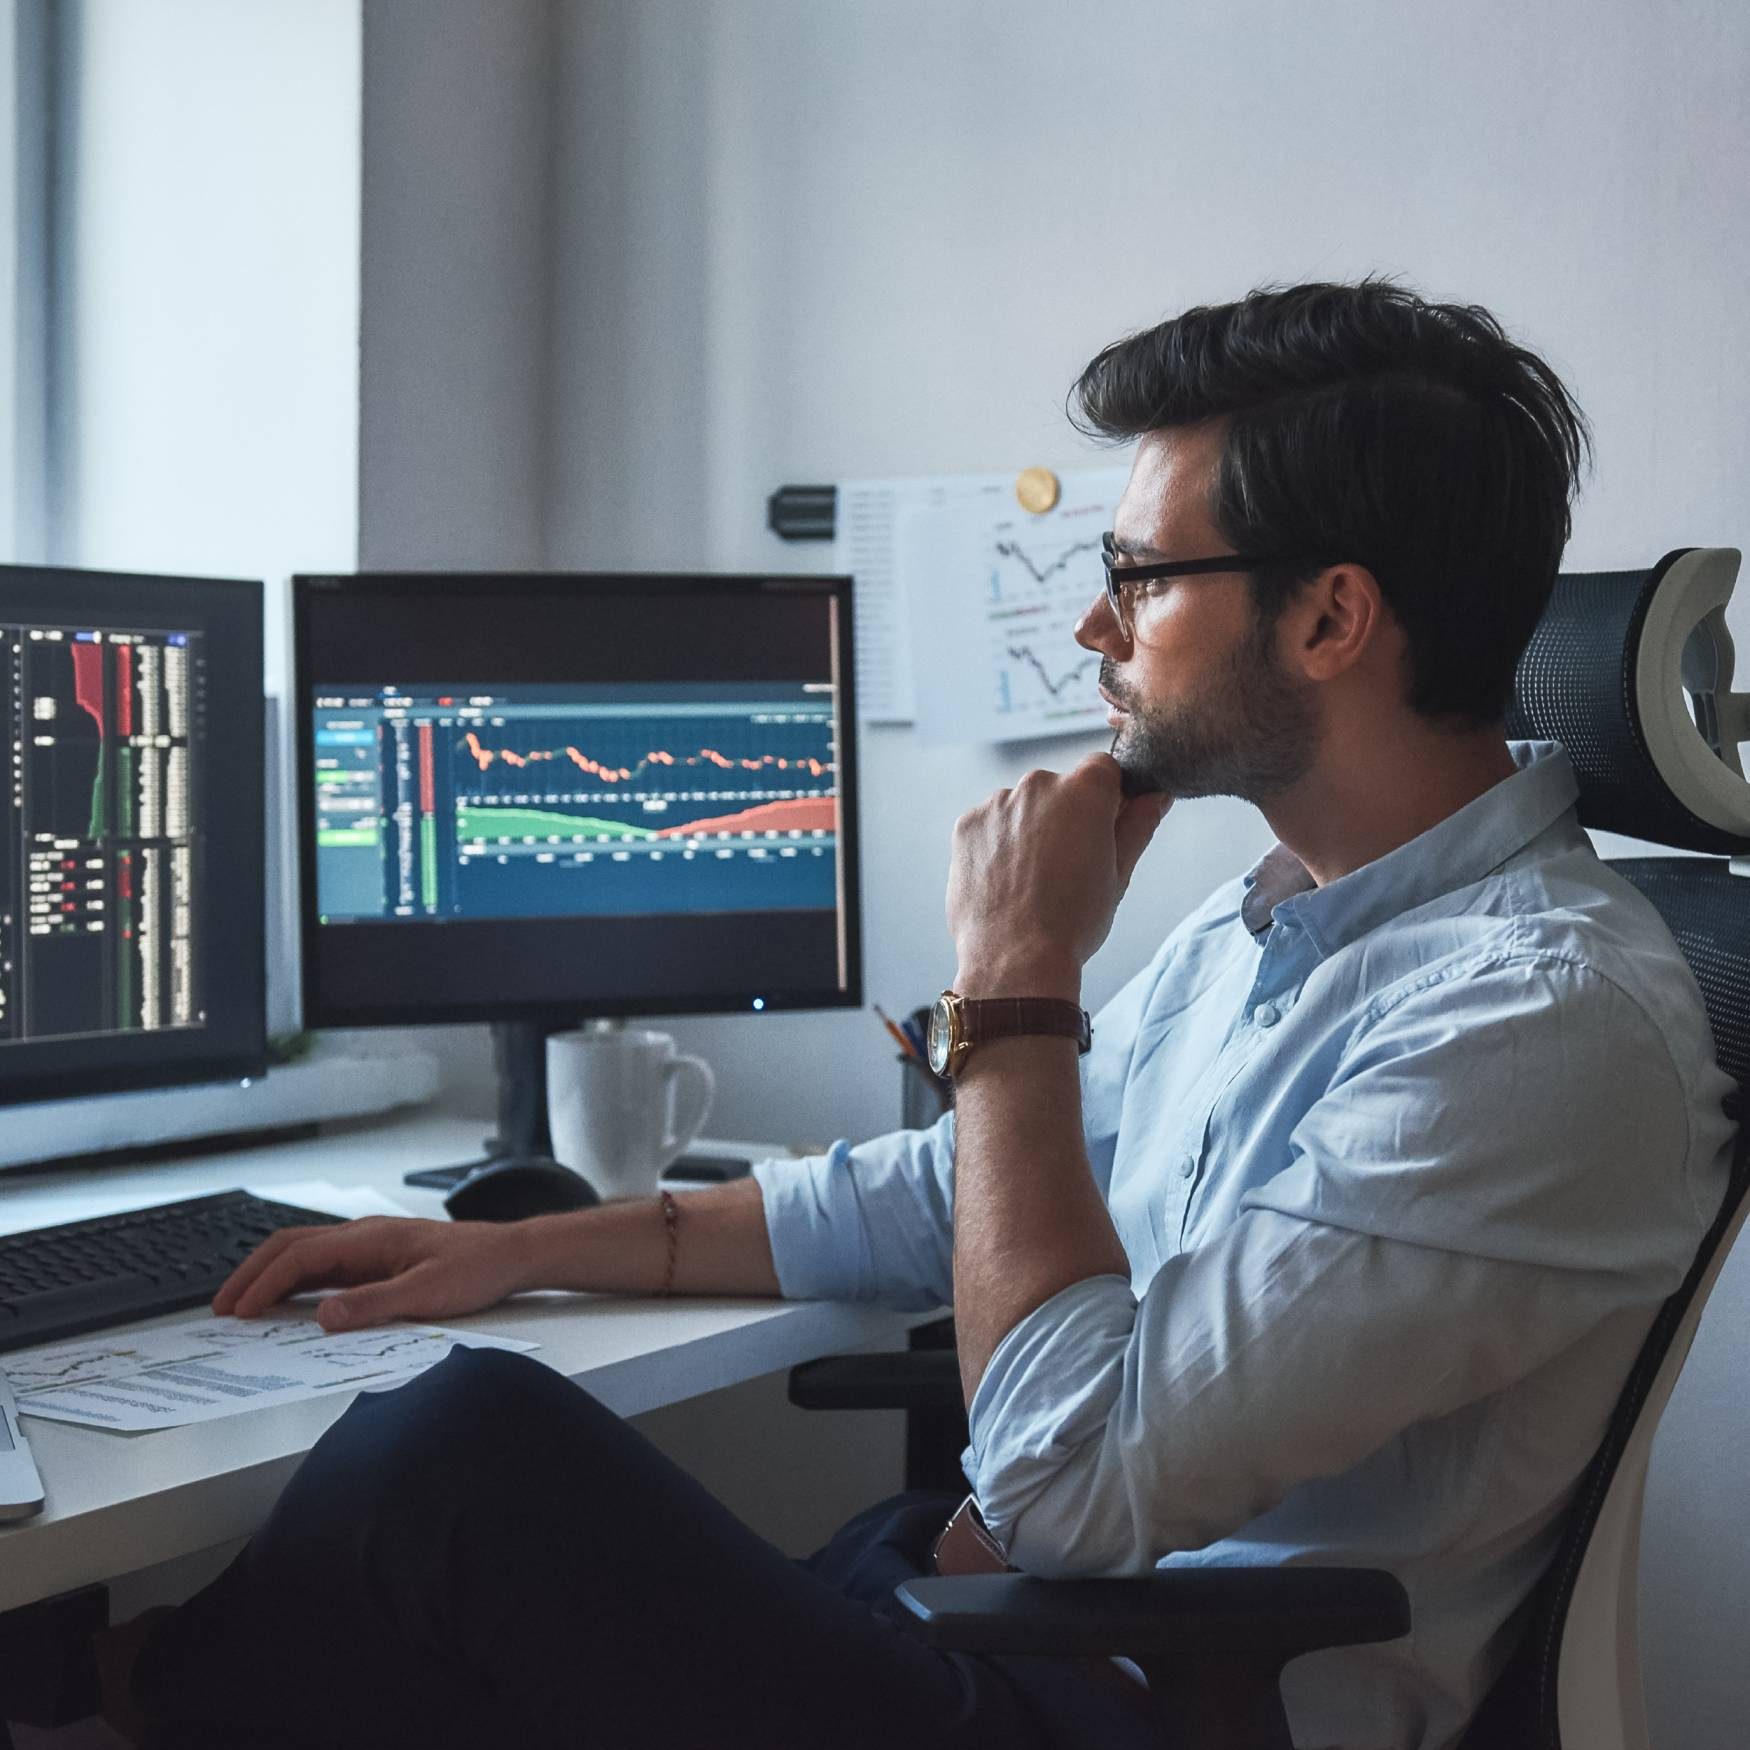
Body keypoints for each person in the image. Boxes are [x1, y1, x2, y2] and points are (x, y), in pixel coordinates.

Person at [101, 279, 1734, 1750]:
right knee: (432, 1617)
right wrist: (525, 1246)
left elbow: (1066, 1482)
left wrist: (1016, 985)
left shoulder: (1534, 1020)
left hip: (1130, 1699)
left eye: (1136, 576)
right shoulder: (1281, 919)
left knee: (457, 1463)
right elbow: (951, 1193)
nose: (1093, 627)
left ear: (1327, 618)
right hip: (985, 1618)